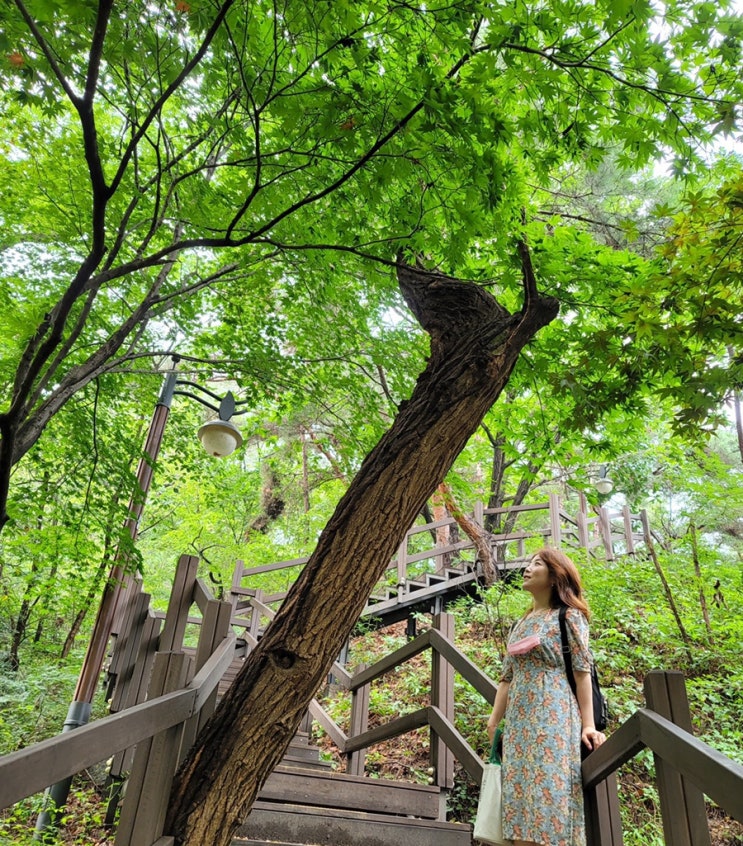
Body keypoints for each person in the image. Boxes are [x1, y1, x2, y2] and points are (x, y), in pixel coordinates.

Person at [486, 547, 605, 846]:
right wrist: (494, 720)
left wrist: (588, 725)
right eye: (528, 563)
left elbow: (582, 673)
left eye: (536, 564)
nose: (527, 568)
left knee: (548, 795)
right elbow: (507, 677)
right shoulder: (521, 622)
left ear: (555, 576)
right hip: (518, 723)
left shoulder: (569, 616)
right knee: (518, 798)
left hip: (553, 716)